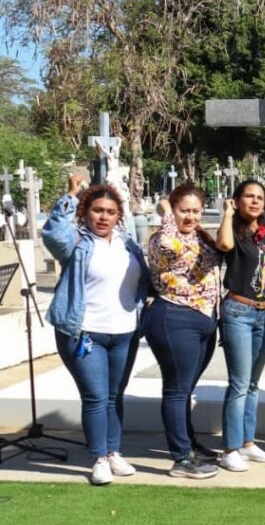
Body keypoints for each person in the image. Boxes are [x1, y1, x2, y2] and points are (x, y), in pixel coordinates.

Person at [43, 174, 151, 485]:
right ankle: (99, 457)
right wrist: (71, 195)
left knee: (115, 395)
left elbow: (141, 280)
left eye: (110, 212)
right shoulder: (76, 242)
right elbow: (52, 234)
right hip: (85, 333)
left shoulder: (127, 243)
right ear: (85, 212)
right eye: (97, 211)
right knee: (95, 396)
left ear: (119, 215)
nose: (103, 217)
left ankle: (114, 451)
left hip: (124, 332)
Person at [145, 184, 224, 479]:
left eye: (195, 210)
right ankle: (181, 458)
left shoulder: (201, 237)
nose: (190, 216)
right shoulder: (161, 239)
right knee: (177, 390)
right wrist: (166, 212)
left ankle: (189, 444)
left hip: (204, 319)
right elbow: (169, 246)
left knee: (186, 388)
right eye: (183, 210)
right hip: (174, 317)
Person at [214, 179, 265, 472]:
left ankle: (248, 442)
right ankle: (230, 448)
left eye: (260, 198)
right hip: (238, 311)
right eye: (248, 197)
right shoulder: (235, 232)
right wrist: (226, 213)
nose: (255, 202)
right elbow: (224, 245)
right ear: (237, 200)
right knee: (239, 383)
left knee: (253, 383)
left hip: (264, 314)